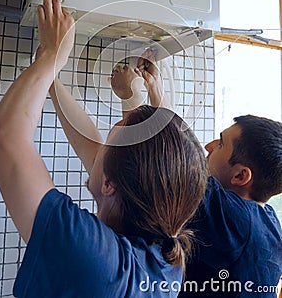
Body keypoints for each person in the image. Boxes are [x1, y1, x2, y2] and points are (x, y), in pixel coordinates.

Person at [0, 0, 208, 298]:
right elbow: (98, 150)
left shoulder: (97, 260)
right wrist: (48, 77)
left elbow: (4, 137)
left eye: (111, 137)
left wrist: (51, 56)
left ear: (110, 185)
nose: (101, 143)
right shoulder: (164, 255)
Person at [110, 55, 282, 298]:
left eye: (221, 144)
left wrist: (132, 98)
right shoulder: (265, 219)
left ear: (241, 175)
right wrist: (155, 90)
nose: (208, 146)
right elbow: (184, 158)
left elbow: (167, 161)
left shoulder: (231, 218)